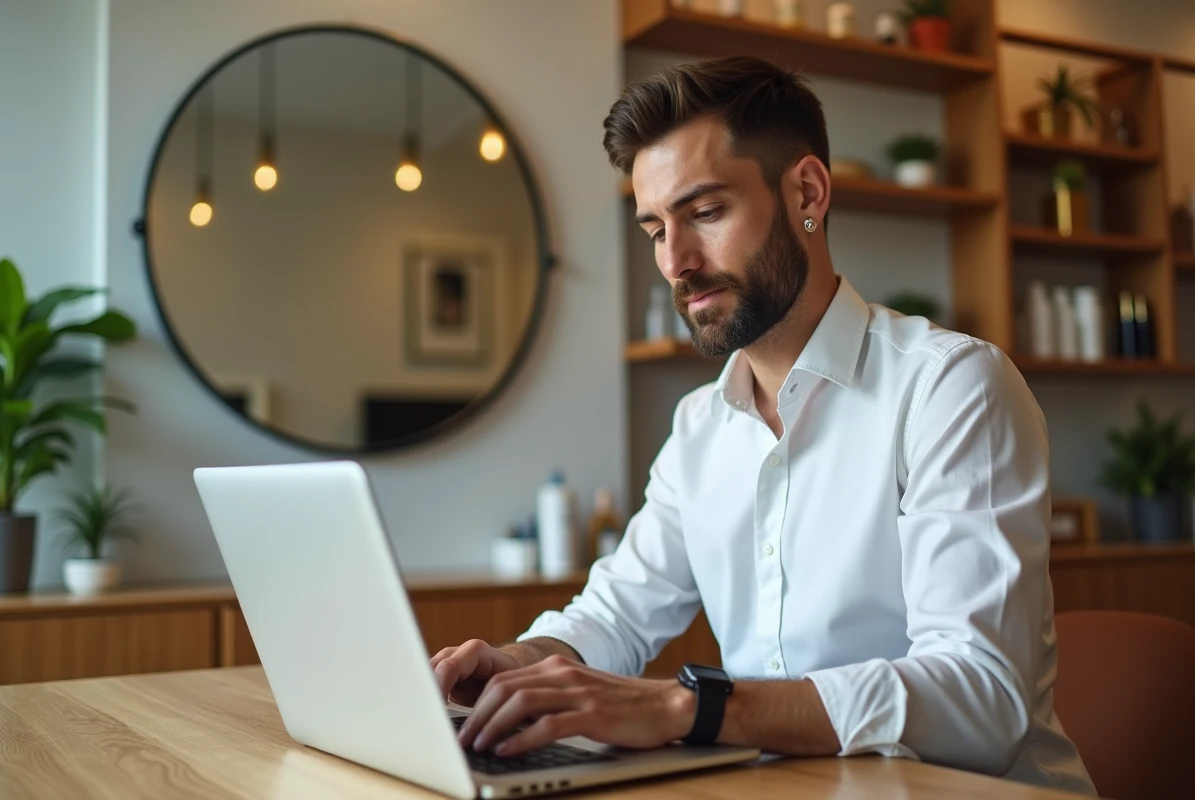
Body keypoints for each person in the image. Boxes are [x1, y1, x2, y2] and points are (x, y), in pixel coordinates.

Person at [432, 56, 1096, 795]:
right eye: (656, 228)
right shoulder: (699, 428)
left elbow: (981, 700)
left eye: (706, 213)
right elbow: (618, 614)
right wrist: (523, 661)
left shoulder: (950, 388)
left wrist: (692, 708)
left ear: (807, 193)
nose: (676, 262)